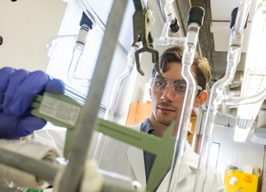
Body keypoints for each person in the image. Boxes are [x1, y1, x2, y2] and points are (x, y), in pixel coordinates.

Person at [96, 46, 225, 192]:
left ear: (199, 99)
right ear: (151, 89)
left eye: (181, 87)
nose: (166, 96)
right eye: (160, 83)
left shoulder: (209, 181)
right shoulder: (105, 143)